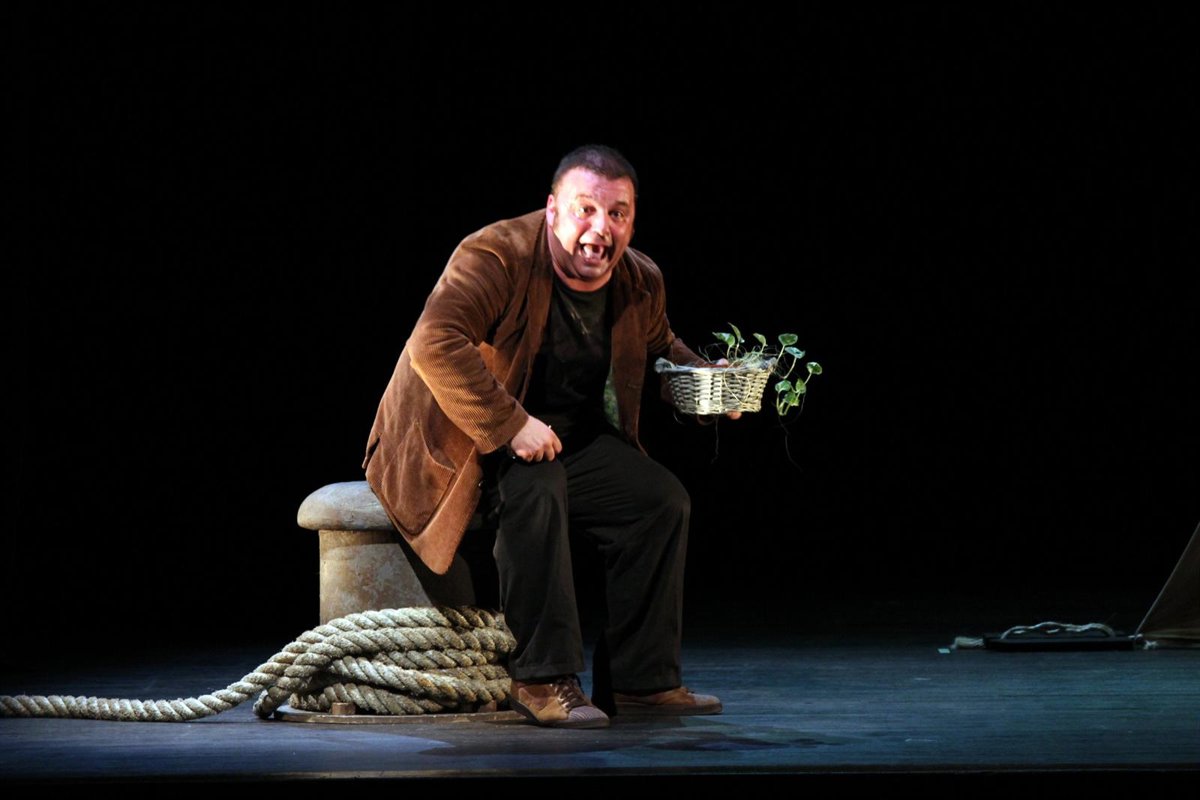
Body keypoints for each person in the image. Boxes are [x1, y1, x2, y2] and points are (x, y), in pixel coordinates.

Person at [363, 145, 731, 728]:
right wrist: (510, 425)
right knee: (537, 485)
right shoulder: (497, 254)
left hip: (562, 441)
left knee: (659, 501)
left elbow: (663, 349)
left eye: (617, 214)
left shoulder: (639, 279)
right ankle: (540, 678)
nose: (601, 228)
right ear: (553, 210)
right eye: (586, 209)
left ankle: (641, 680)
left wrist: (706, 384)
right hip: (467, 442)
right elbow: (434, 342)